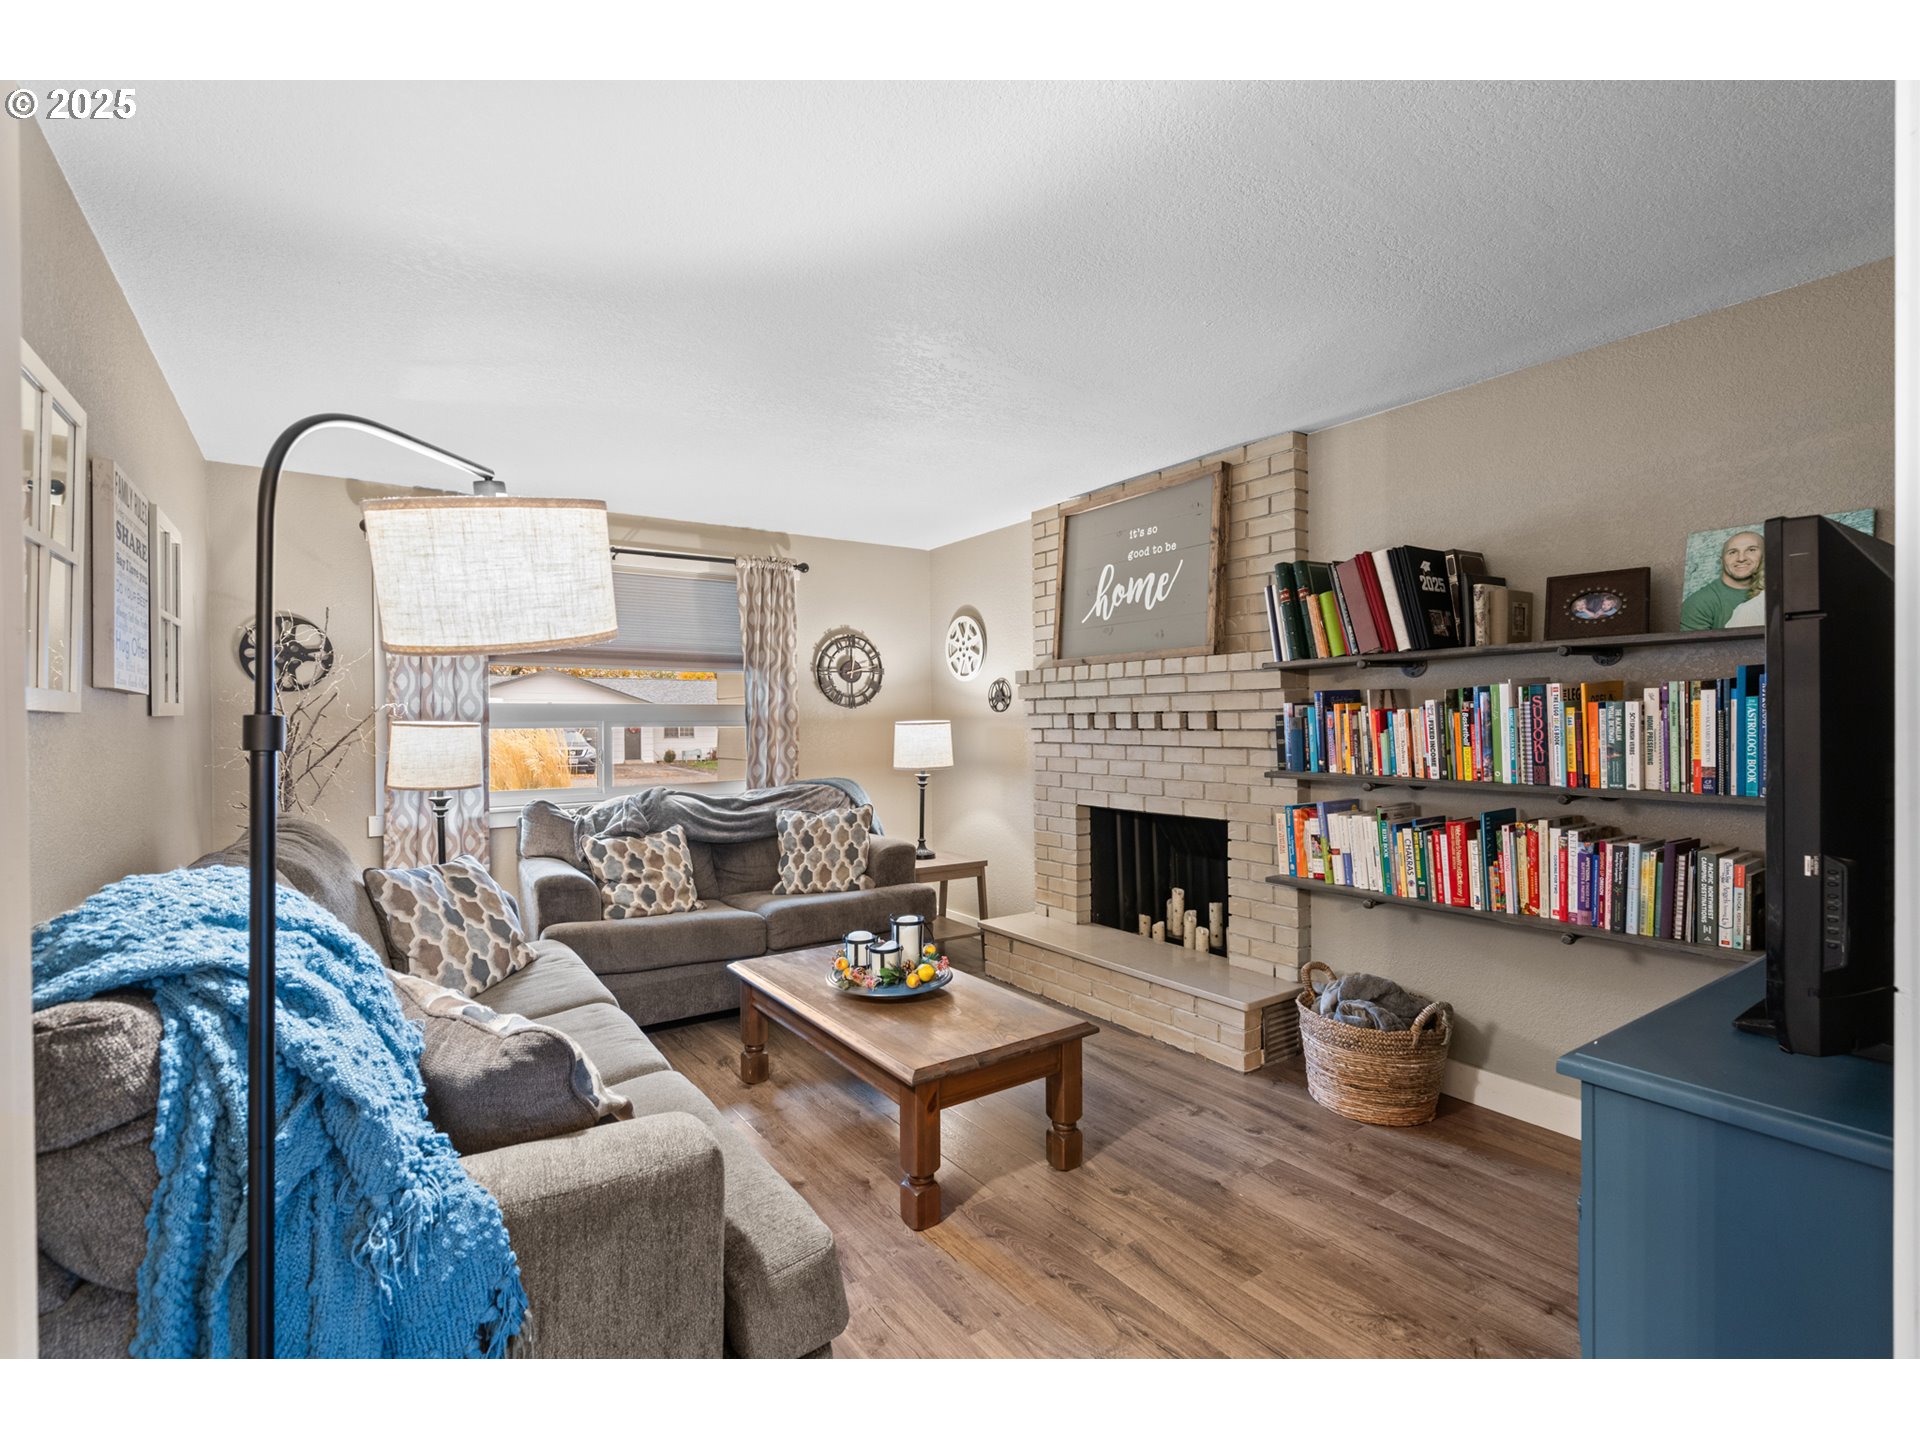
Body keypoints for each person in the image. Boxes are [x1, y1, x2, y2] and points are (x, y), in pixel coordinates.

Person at [1681, 529, 1763, 629]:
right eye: (1732, 552)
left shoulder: (1774, 593)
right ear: (1722, 561)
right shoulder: (1699, 602)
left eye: (1751, 550)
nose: (1741, 558)